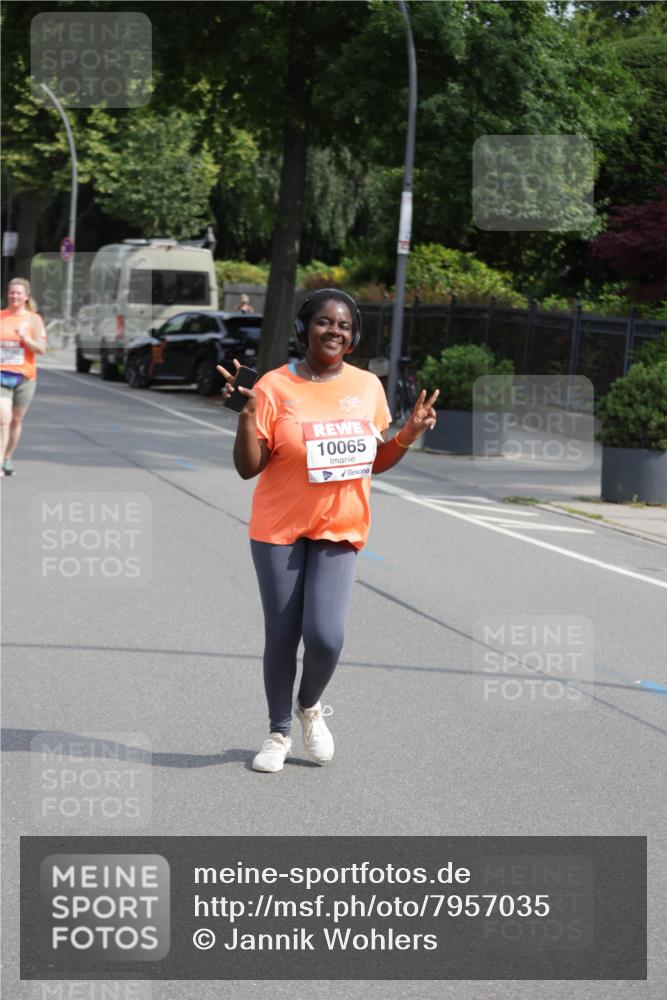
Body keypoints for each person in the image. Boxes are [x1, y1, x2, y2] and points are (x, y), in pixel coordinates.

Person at [217, 288, 438, 773]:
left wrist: (407, 435)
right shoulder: (274, 386)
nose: (333, 331)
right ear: (304, 330)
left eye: (343, 325)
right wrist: (248, 417)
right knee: (282, 633)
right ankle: (278, 733)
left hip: (340, 526)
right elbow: (247, 468)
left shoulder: (368, 388)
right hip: (278, 528)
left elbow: (371, 461)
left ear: (353, 336)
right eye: (323, 322)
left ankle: (309, 706)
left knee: (326, 636)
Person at [0, 277, 47, 477]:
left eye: (19, 293)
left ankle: (7, 457)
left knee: (16, 421)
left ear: (26, 296)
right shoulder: (1, 316)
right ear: (7, 295)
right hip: (1, 373)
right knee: (3, 417)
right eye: (12, 292)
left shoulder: (34, 320)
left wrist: (25, 338)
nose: (14, 296)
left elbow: (41, 349)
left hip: (25, 376)